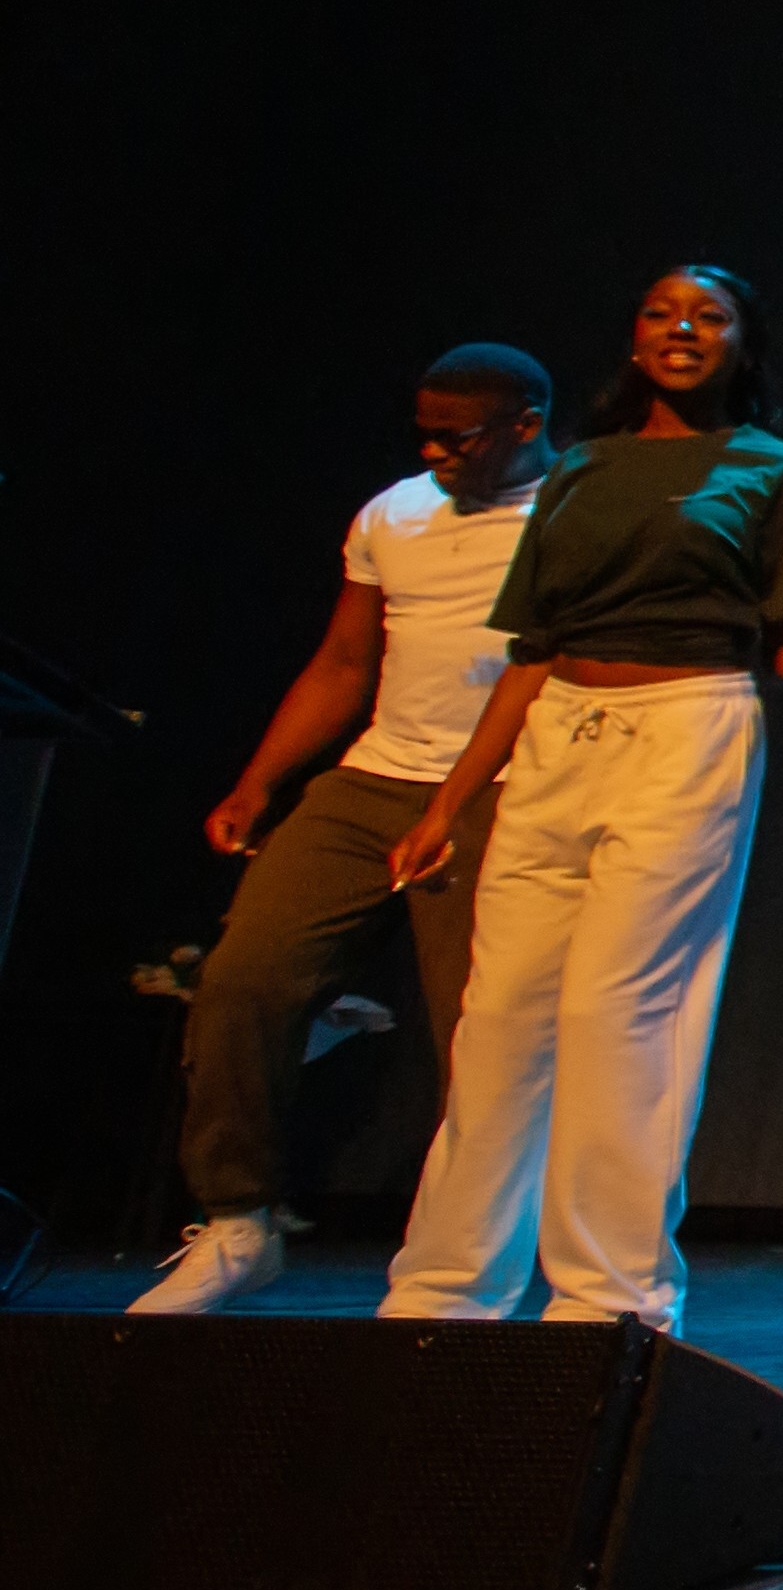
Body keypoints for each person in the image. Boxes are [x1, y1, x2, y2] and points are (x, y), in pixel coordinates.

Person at [380, 270, 783, 1330]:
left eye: (710, 316)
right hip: (560, 733)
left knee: (624, 1011)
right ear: (635, 338)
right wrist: (448, 802)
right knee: (501, 1017)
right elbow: (534, 652)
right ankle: (447, 1286)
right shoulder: (582, 468)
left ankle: (608, 1296)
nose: (683, 328)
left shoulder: (780, 471)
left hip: (687, 728)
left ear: (741, 345)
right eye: (662, 312)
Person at [129, 347, 556, 1312]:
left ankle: (467, 1264)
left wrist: (458, 800)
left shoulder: (570, 516)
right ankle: (241, 1221)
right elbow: (343, 662)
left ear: (526, 425)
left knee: (477, 1032)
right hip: (372, 779)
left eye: (458, 437)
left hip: (501, 788)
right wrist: (260, 782)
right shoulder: (392, 513)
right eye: (423, 433)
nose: (433, 452)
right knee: (242, 977)